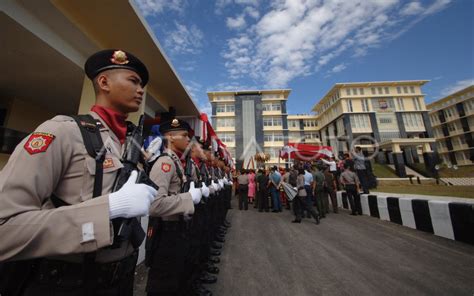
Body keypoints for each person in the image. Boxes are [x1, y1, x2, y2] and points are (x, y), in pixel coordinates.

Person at [0, 49, 157, 295]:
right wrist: (108, 208)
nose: (141, 90)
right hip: (69, 283)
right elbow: (5, 230)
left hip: (121, 279)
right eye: (133, 81)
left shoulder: (128, 145)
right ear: (104, 82)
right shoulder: (63, 131)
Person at [145, 118, 208, 296]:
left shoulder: (176, 162)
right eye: (185, 136)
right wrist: (188, 199)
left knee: (176, 279)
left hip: (178, 229)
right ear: (170, 137)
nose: (188, 140)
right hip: (166, 233)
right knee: (163, 283)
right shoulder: (164, 164)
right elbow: (155, 205)